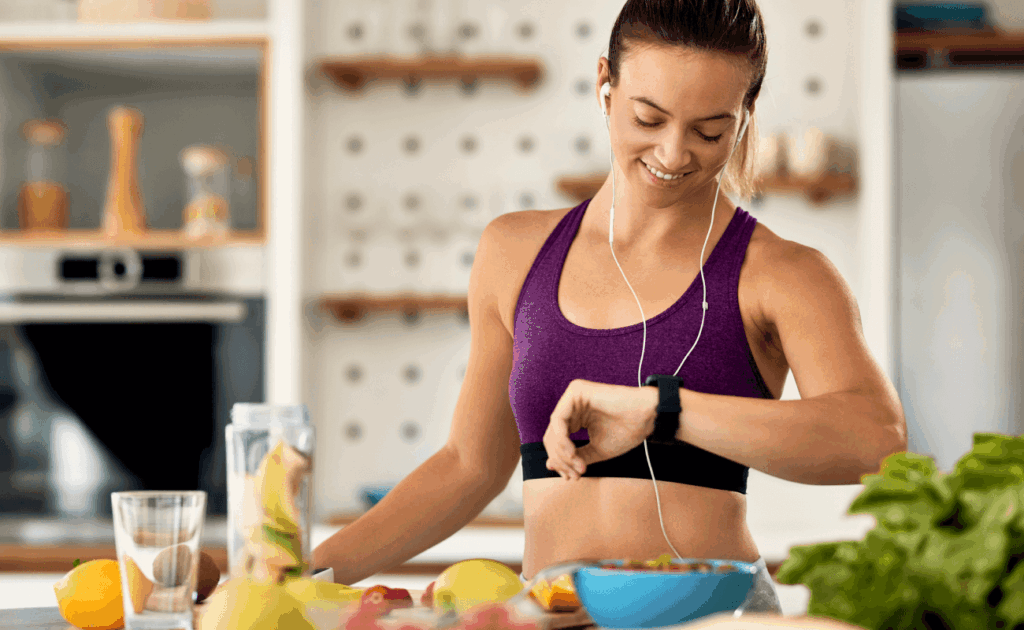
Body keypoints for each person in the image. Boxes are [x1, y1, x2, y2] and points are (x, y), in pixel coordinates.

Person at [313, 0, 907, 615]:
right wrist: (308, 571)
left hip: (713, 621)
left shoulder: (783, 273)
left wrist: (661, 410)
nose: (674, 154)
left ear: (746, 114)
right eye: (648, 118)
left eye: (710, 131)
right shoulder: (513, 251)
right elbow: (469, 465)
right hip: (549, 616)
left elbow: (875, 439)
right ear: (605, 83)